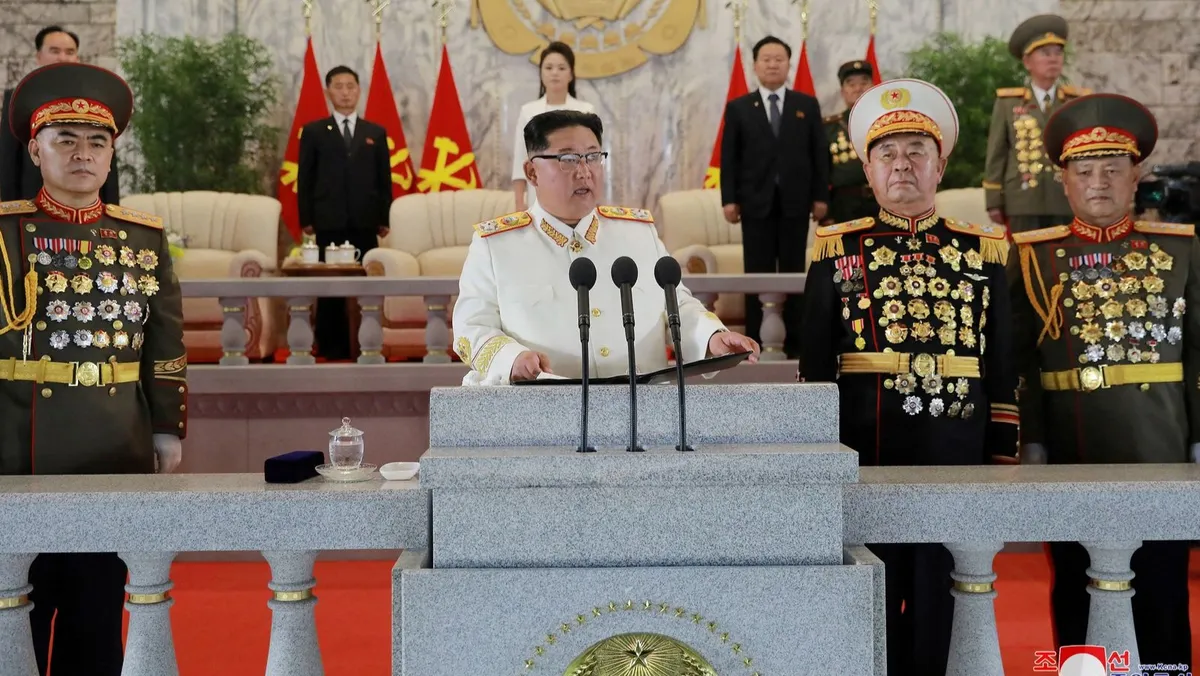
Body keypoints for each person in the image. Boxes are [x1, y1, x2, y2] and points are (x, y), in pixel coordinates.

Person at [798, 78, 1018, 675]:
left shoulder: (982, 251)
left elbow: (1001, 359)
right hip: (865, 445)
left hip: (956, 443)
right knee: (868, 591)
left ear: (939, 167)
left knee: (941, 591)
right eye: (887, 154)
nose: (902, 165)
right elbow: (814, 365)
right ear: (868, 172)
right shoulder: (837, 249)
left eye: (917, 152)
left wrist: (1002, 447)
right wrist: (818, 451)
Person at [0, 61, 187, 675]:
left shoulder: (142, 239)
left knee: (96, 618)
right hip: (15, 449)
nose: (83, 154)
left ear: (111, 156)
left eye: (97, 142)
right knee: (14, 618)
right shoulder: (5, 231)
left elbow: (164, 341)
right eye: (66, 140)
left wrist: (167, 429)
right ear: (36, 150)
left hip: (111, 446)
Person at [1011, 93, 1193, 663]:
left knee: (1162, 582)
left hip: (1159, 446)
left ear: (1136, 176)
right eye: (1085, 171)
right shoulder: (1035, 257)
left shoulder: (1180, 250)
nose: (1098, 183)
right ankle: (1081, 672)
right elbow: (1024, 365)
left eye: (1112, 169)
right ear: (1064, 181)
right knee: (1075, 579)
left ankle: (1164, 672)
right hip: (1075, 445)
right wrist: (1033, 441)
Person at [454, 110, 759, 384]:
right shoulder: (496, 245)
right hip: (542, 409)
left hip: (640, 408)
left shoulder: (638, 233)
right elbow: (471, 328)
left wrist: (711, 337)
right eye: (568, 159)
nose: (584, 171)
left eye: (592, 157)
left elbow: (675, 305)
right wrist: (511, 360)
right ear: (532, 172)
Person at [719, 35, 829, 358]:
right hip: (755, 204)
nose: (772, 64)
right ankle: (753, 342)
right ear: (755, 65)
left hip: (797, 202)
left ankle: (795, 342)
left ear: (788, 64)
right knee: (757, 272)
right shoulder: (739, 108)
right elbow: (729, 158)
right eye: (766, 59)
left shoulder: (806, 105)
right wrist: (729, 199)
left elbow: (820, 154)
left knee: (794, 271)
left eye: (779, 59)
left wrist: (821, 196)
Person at [297, 65, 391, 361]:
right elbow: (305, 178)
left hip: (365, 221)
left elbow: (384, 179)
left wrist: (384, 217)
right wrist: (306, 218)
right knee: (331, 286)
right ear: (328, 92)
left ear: (359, 91)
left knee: (366, 285)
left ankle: (368, 343)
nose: (346, 93)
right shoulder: (314, 131)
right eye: (339, 87)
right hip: (329, 220)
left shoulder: (375, 132)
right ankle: (330, 346)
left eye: (351, 86)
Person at [984, 14, 1089, 233]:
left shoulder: (1076, 102)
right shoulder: (1008, 102)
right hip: (1023, 200)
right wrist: (993, 198)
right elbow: (997, 153)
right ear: (1027, 62)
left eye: (1058, 53)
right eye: (1045, 53)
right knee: (1023, 254)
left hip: (1066, 198)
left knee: (1066, 252)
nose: (1053, 59)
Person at [0, 25, 121, 204]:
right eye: (55, 51)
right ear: (39, 56)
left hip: (88, 205)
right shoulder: (20, 97)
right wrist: (11, 210)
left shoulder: (94, 100)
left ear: (77, 58)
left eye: (70, 52)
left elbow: (107, 157)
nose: (62, 57)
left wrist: (111, 209)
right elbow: (8, 160)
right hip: (34, 202)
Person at [511, 42, 595, 212]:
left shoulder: (585, 111)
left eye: (561, 68)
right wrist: (519, 203)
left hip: (577, 193)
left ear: (571, 74)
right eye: (549, 68)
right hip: (538, 196)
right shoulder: (528, 111)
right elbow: (520, 159)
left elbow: (593, 161)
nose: (555, 73)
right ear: (541, 73)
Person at [821, 60, 878, 226]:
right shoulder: (829, 128)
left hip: (887, 202)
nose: (858, 88)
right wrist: (826, 213)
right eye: (851, 84)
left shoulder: (888, 122)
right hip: (845, 207)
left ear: (873, 87)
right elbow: (821, 172)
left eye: (864, 83)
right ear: (843, 91)